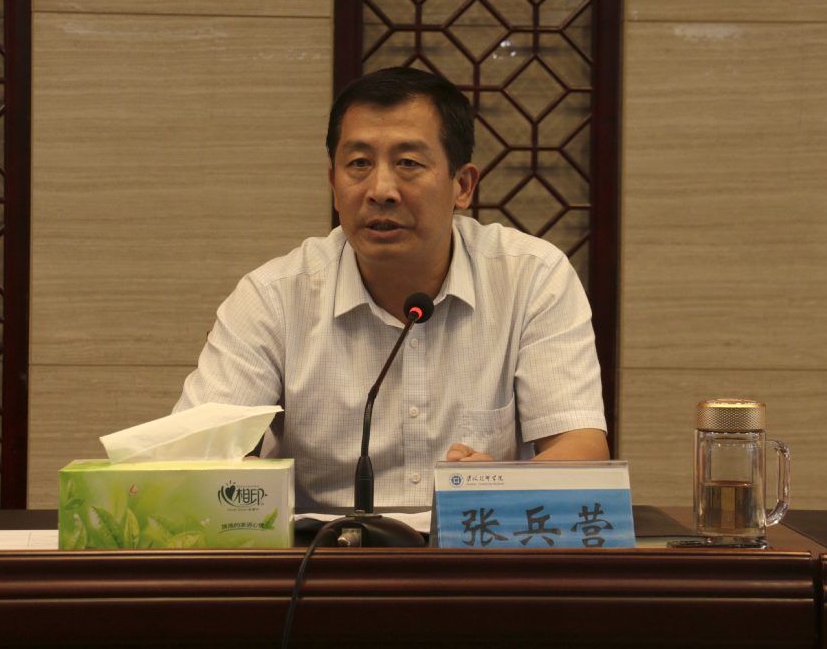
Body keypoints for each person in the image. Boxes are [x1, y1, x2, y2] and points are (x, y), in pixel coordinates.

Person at [173, 67, 609, 508]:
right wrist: (233, 473)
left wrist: (500, 487)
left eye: (408, 164)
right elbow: (190, 455)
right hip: (323, 550)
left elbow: (582, 449)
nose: (381, 190)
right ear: (334, 184)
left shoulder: (531, 277)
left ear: (462, 186)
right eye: (359, 164)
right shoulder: (273, 297)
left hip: (472, 545)